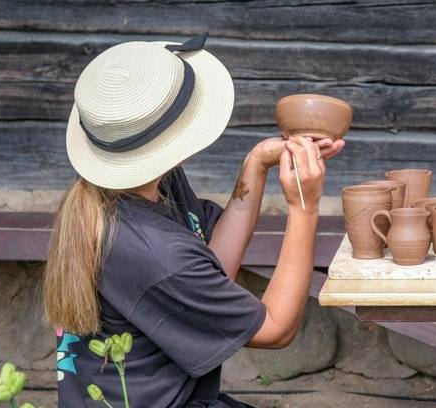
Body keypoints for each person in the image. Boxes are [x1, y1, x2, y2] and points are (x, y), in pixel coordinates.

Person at [42, 34, 344, 407]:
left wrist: (258, 163)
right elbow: (275, 329)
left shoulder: (142, 186)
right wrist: (304, 208)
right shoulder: (151, 251)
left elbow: (213, 266)